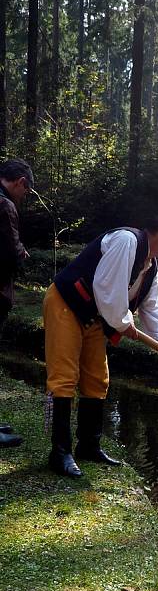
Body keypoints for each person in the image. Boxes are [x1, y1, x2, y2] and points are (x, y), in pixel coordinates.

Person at [43, 211, 158, 478]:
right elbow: (106, 288)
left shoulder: (151, 267)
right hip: (66, 303)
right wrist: (123, 322)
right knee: (64, 376)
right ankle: (60, 452)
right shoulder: (127, 241)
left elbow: (151, 308)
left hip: (94, 316)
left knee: (98, 379)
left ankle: (89, 446)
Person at [0, 158, 34, 448]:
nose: (24, 196)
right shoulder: (5, 205)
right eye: (27, 191)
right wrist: (23, 253)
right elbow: (11, 249)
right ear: (20, 182)